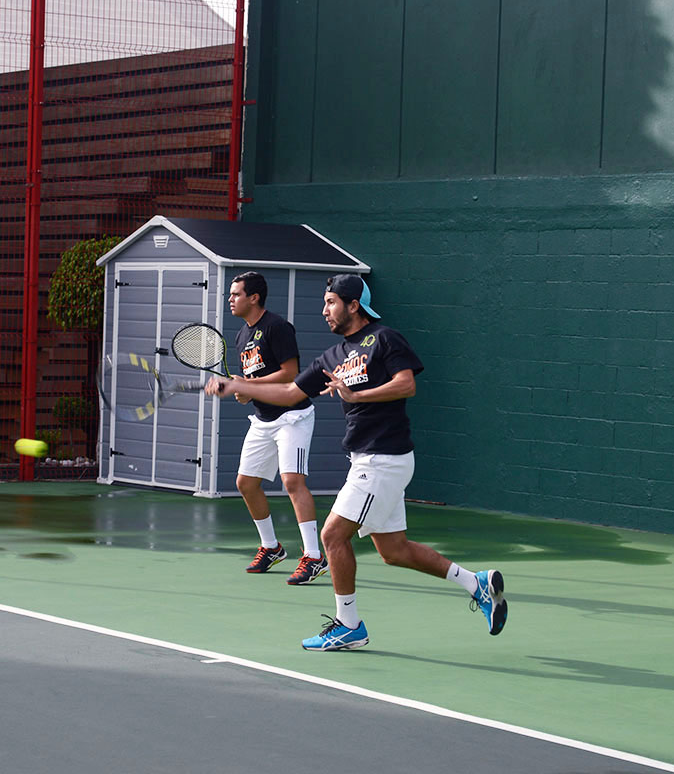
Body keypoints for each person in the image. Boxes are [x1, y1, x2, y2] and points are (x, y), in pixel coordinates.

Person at [206, 273, 507, 649]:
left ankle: (349, 626)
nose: (324, 311)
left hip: (384, 457)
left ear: (353, 305)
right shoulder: (331, 357)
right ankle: (474, 582)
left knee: (331, 536)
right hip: (368, 458)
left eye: (331, 302)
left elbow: (406, 383)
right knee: (394, 551)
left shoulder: (384, 338)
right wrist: (238, 386)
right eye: (324, 303)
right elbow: (288, 392)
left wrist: (358, 395)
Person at [225, 271, 327, 585]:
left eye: (236, 294)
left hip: (292, 417)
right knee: (246, 483)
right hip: (263, 419)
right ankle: (271, 547)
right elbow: (255, 384)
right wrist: (244, 391)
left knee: (292, 481)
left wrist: (245, 384)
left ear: (254, 297)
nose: (231, 299)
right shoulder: (242, 335)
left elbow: (289, 373)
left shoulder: (277, 327)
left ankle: (314, 557)